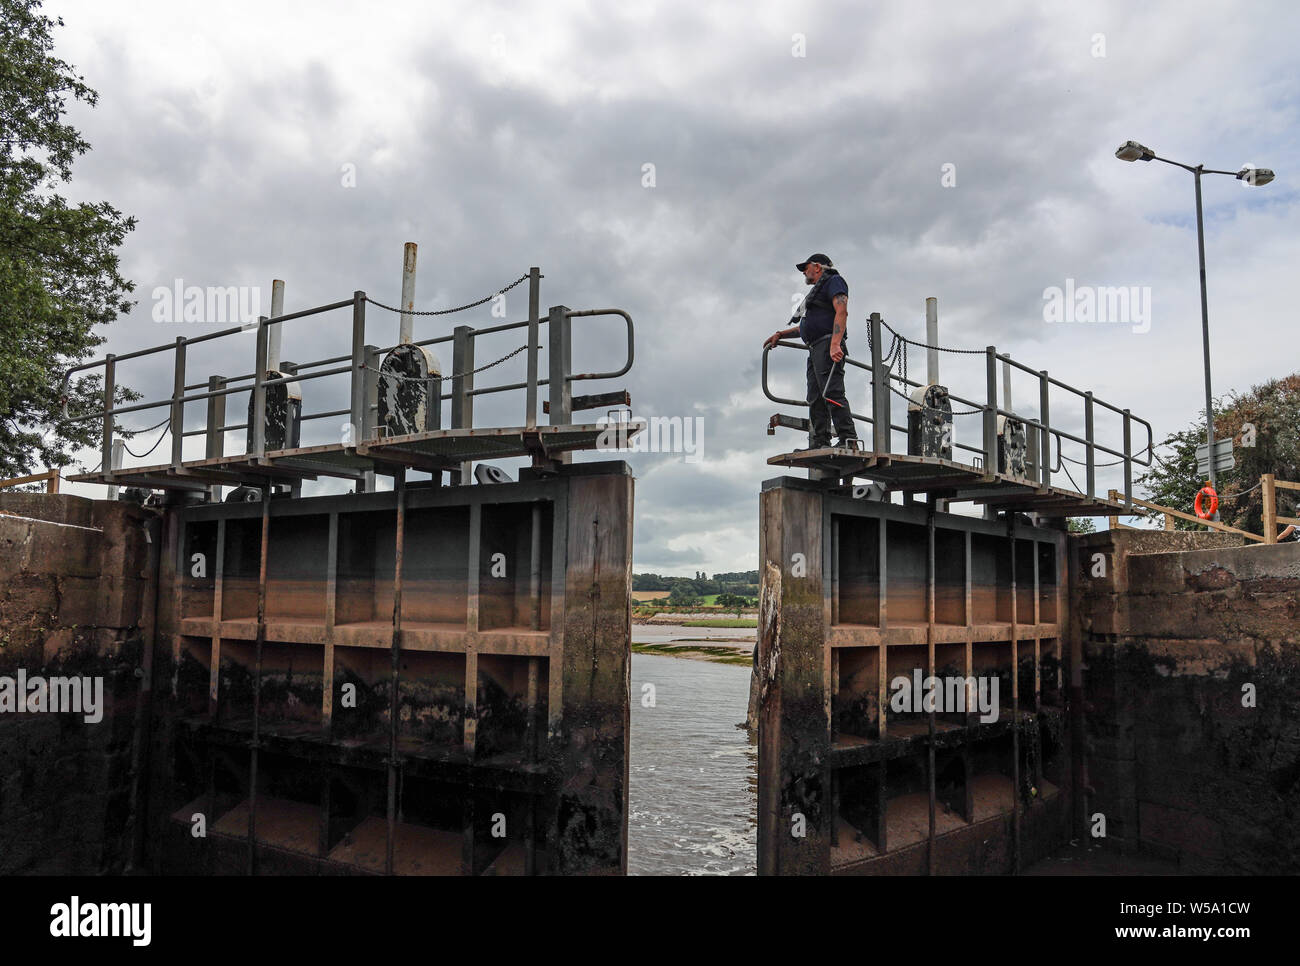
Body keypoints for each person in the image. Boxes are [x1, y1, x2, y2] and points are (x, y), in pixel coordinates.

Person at [764, 253, 858, 450]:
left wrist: (835, 344)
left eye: (806, 268)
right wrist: (780, 334)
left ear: (817, 267)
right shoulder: (817, 292)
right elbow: (806, 328)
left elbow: (842, 311)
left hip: (827, 346)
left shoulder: (834, 281)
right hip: (816, 348)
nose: (804, 272)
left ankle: (849, 440)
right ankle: (820, 442)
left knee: (832, 392)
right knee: (815, 397)